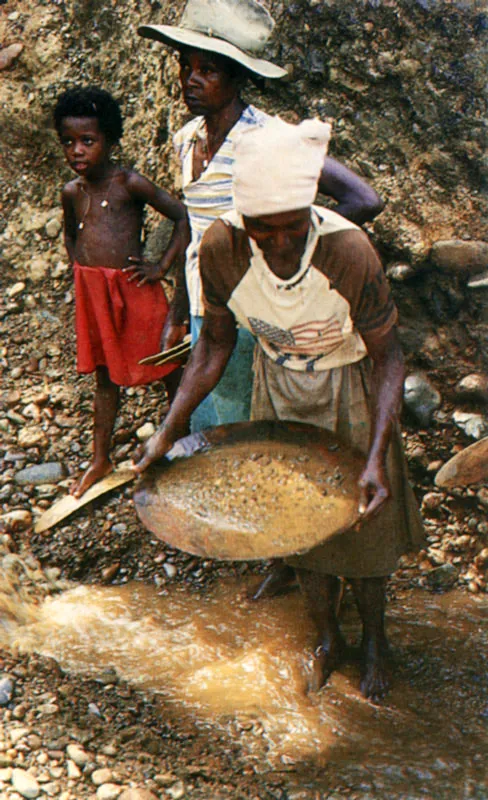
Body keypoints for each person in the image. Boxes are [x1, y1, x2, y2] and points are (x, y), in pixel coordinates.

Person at [132, 117, 424, 702]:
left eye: (293, 228)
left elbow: (390, 359)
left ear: (311, 212)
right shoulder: (221, 248)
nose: (281, 243)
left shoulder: (347, 249)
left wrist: (374, 458)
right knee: (292, 525)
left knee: (363, 528)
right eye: (265, 232)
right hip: (279, 384)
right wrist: (168, 432)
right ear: (244, 221)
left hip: (349, 383)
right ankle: (326, 637)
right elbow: (214, 344)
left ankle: (374, 639)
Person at [137, 0, 384, 434]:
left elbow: (363, 199)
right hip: (204, 304)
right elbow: (195, 234)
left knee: (242, 421)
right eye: (185, 66)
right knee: (208, 415)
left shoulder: (268, 139)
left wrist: (287, 254)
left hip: (248, 311)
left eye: (208, 70)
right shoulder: (187, 139)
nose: (189, 80)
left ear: (237, 78)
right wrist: (177, 312)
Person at [54, 86, 190, 497]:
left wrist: (161, 266)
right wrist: (86, 275)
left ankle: (183, 440)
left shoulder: (129, 183)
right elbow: (70, 236)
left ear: (110, 141)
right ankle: (100, 458)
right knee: (105, 378)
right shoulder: (72, 192)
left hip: (135, 289)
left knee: (167, 365)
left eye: (88, 141)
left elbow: (183, 216)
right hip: (96, 293)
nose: (77, 151)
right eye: (69, 142)